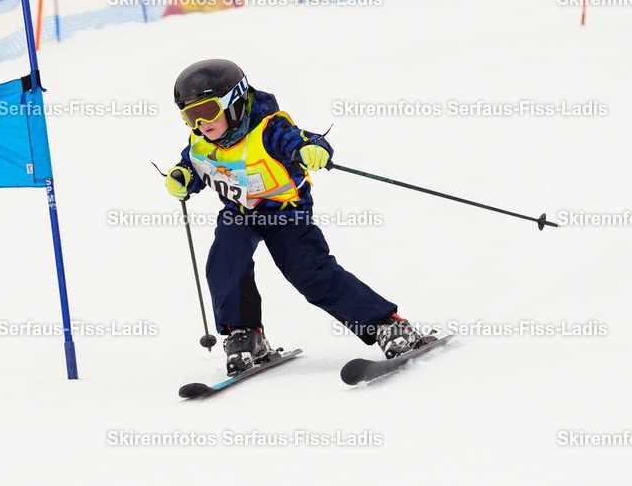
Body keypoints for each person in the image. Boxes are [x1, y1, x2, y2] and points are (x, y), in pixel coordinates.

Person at [164, 59, 435, 376]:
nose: (200, 123)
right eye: (189, 116)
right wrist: (182, 176)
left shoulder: (268, 130)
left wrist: (313, 148)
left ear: (233, 102)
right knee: (224, 263)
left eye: (207, 111)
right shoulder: (202, 141)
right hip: (239, 213)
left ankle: (388, 326)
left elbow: (297, 139)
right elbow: (193, 164)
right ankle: (245, 335)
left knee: (310, 273)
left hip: (286, 212)